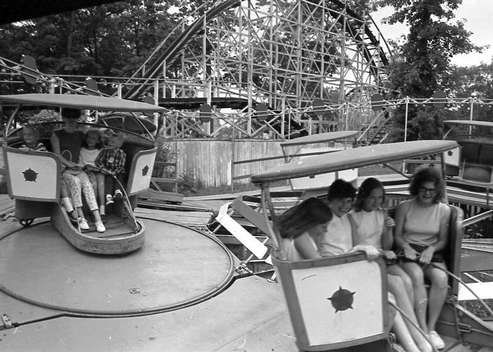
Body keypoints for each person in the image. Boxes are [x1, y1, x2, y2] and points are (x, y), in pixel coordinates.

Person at [350, 178, 432, 352]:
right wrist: (382, 253)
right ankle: (416, 337)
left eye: (380, 198)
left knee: (407, 281)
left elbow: (386, 246)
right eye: (372, 197)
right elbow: (358, 247)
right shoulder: (352, 216)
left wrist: (389, 230)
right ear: (363, 196)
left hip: (382, 258)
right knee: (397, 283)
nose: (377, 202)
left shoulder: (381, 213)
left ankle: (414, 330)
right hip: (366, 262)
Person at [394, 166, 451, 350]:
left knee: (441, 279)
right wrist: (405, 247)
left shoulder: (444, 210)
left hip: (431, 254)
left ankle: (432, 329)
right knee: (416, 276)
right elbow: (398, 236)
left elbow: (442, 240)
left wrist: (431, 249)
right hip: (409, 252)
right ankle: (422, 329)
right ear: (417, 187)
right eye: (423, 189)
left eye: (431, 190)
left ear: (437, 190)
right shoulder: (405, 207)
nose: (427, 193)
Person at [50, 108, 105, 233]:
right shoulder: (56, 134)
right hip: (65, 169)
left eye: (73, 117)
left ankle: (98, 220)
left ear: (77, 118)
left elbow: (94, 140)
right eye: (68, 117)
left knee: (87, 185)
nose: (71, 120)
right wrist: (70, 164)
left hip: (78, 169)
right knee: (75, 183)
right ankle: (81, 218)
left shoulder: (80, 134)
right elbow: (57, 154)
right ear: (63, 118)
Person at [94, 131, 127, 208]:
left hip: (118, 171)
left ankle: (118, 191)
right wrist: (104, 169)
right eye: (109, 142)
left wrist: (114, 172)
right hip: (107, 171)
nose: (110, 143)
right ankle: (108, 196)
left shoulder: (122, 153)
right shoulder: (105, 151)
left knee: (120, 178)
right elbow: (98, 161)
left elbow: (121, 165)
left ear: (119, 144)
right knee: (108, 180)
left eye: (113, 142)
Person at [78, 129, 105, 215]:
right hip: (85, 171)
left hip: (97, 171)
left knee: (100, 180)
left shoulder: (100, 151)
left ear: (98, 141)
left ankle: (102, 207)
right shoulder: (82, 150)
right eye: (89, 138)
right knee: (93, 183)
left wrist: (95, 169)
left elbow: (102, 164)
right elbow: (80, 164)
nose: (90, 140)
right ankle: (93, 209)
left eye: (93, 138)